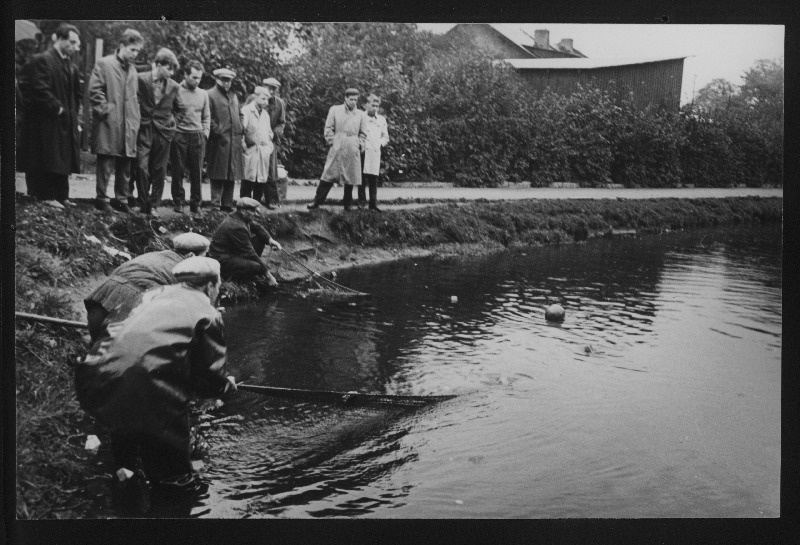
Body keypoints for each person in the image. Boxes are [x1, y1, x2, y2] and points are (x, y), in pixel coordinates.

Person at [75, 256, 236, 506]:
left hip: (94, 382)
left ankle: (124, 481)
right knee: (175, 480)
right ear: (211, 285)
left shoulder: (149, 294)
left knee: (126, 426)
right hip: (147, 393)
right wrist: (226, 386)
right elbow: (208, 384)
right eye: (219, 286)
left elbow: (112, 330)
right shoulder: (208, 313)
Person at [83, 232, 210, 343]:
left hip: (101, 300)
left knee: (96, 356)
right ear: (191, 255)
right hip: (132, 306)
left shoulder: (156, 255)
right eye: (204, 256)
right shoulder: (188, 269)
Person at [17, 23, 82, 210]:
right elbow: (38, 89)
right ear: (59, 39)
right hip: (45, 120)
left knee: (62, 157)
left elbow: (75, 95)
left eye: (77, 43)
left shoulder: (70, 65)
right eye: (72, 42)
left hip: (63, 121)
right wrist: (58, 108)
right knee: (47, 156)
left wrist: (73, 117)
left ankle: (62, 196)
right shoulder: (43, 60)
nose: (76, 47)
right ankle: (46, 196)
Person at [88, 28, 143, 214]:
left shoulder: (133, 70)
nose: (135, 54)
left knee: (125, 164)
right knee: (105, 161)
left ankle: (121, 199)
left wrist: (135, 118)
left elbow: (134, 97)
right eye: (132, 50)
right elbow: (95, 91)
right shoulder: (104, 64)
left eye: (137, 51)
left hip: (129, 123)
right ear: (121, 46)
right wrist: (107, 111)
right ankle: (101, 198)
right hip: (109, 121)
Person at [133, 48, 184, 217]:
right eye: (169, 69)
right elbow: (133, 101)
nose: (171, 73)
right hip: (144, 128)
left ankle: (154, 205)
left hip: (164, 132)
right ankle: (142, 203)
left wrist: (172, 124)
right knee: (141, 166)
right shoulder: (141, 79)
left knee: (159, 170)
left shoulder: (174, 86)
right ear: (158, 64)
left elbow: (181, 109)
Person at [307, 88, 367, 211]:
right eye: (351, 99)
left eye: (356, 99)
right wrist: (332, 141)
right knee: (329, 174)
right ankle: (317, 202)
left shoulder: (361, 114)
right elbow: (328, 128)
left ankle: (347, 204)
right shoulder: (335, 110)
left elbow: (363, 132)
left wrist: (359, 143)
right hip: (338, 144)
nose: (353, 102)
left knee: (349, 177)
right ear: (345, 98)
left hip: (352, 146)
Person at [208, 197, 282, 285]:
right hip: (222, 261)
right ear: (243, 210)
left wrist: (270, 240)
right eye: (253, 211)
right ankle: (234, 279)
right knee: (256, 267)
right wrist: (269, 276)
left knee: (260, 238)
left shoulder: (239, 216)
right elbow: (250, 253)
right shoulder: (236, 226)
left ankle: (250, 270)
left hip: (230, 253)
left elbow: (257, 227)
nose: (255, 214)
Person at [170, 61, 210, 215]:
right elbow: (170, 113)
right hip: (179, 134)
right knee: (177, 170)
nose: (197, 81)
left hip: (197, 136)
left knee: (197, 172)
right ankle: (178, 202)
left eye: (199, 78)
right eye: (194, 77)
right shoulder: (175, 91)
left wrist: (205, 133)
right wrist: (173, 132)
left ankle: (196, 204)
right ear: (185, 75)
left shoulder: (203, 94)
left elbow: (206, 116)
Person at [206, 68, 244, 212]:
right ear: (217, 79)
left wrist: (240, 126)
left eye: (229, 81)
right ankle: (215, 205)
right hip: (218, 141)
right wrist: (217, 131)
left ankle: (227, 204)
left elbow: (240, 114)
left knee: (231, 173)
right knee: (217, 172)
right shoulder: (210, 95)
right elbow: (207, 116)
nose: (227, 83)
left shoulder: (234, 96)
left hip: (234, 140)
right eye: (224, 80)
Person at [239, 87, 274, 205]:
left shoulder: (265, 114)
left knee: (261, 180)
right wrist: (243, 146)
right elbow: (241, 130)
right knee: (248, 179)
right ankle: (244, 207)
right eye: (263, 99)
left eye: (267, 100)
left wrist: (269, 148)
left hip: (263, 152)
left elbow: (269, 133)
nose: (265, 102)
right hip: (250, 150)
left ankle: (256, 208)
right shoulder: (246, 110)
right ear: (256, 96)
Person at [358, 94, 390, 212]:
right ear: (367, 105)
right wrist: (360, 144)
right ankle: (361, 203)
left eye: (377, 106)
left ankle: (373, 203)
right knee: (361, 178)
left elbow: (385, 137)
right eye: (373, 105)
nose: (375, 108)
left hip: (375, 152)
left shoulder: (381, 120)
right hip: (363, 151)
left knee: (373, 179)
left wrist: (380, 144)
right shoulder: (360, 117)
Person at [262, 77, 287, 209]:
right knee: (254, 170)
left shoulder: (279, 104)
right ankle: (250, 200)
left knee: (271, 171)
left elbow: (281, 123)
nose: (271, 91)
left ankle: (272, 200)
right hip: (255, 141)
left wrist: (275, 133)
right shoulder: (254, 99)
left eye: (274, 89)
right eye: (269, 88)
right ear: (263, 87)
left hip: (270, 141)